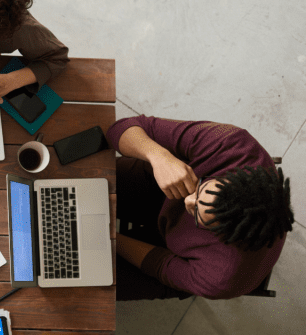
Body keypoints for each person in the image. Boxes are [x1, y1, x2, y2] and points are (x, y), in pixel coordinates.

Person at [108, 115, 293, 300]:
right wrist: (159, 157)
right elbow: (120, 128)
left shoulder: (222, 277)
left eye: (195, 213)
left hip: (171, 252)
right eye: (202, 187)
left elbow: (160, 265)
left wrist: (110, 239)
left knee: (92, 279)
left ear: (220, 235)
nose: (187, 200)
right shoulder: (232, 144)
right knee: (89, 177)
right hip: (157, 183)